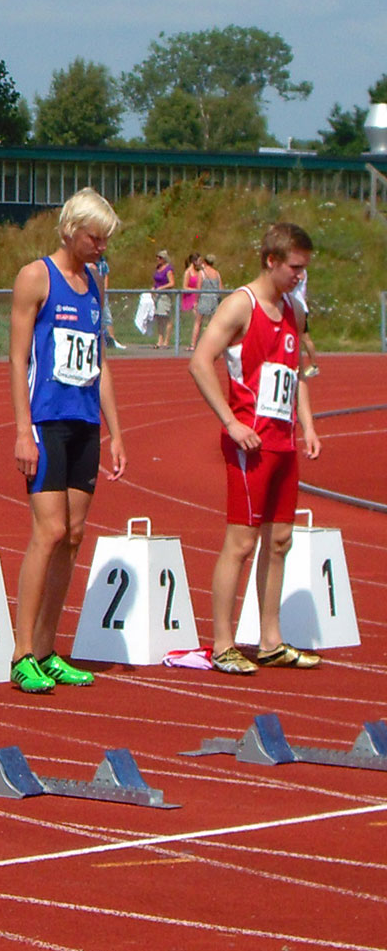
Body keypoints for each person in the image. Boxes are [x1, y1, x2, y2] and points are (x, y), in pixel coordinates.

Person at [187, 222, 322, 675]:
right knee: (241, 542)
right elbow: (199, 362)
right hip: (250, 443)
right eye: (294, 268)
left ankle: (270, 640)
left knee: (280, 541)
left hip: (283, 443)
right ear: (271, 260)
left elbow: (295, 372)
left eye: (304, 269)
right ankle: (223, 643)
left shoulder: (294, 309)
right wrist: (231, 422)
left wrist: (308, 425)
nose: (299, 276)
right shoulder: (240, 305)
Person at [7, 188, 127, 694]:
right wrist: (22, 430)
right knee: (50, 531)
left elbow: (100, 362)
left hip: (84, 423)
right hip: (46, 420)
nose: (101, 247)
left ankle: (47, 648)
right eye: (95, 238)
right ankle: (21, 653)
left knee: (75, 535)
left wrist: (115, 431)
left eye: (105, 239)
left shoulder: (94, 282)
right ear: (71, 231)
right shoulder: (37, 277)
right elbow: (17, 359)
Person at [289, 266, 321, 378]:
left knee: (304, 338)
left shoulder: (300, 271)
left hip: (299, 309)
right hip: (293, 308)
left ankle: (313, 365)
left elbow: (300, 277)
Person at [190, 253, 223, 351]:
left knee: (198, 322)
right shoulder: (217, 273)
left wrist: (196, 301)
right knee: (212, 324)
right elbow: (221, 288)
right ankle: (212, 344)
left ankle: (193, 344)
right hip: (214, 299)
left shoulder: (202, 273)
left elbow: (198, 288)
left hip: (204, 298)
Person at [96, 251, 125, 351]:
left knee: (106, 316)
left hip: (102, 293)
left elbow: (105, 276)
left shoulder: (103, 263)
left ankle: (112, 340)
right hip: (91, 293)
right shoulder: (88, 263)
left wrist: (104, 290)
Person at [151, 249, 175, 349]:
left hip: (165, 296)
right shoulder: (158, 268)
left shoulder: (168, 269)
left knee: (166, 318)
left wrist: (161, 288)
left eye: (160, 257)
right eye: (157, 257)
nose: (158, 259)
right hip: (157, 296)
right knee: (159, 318)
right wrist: (154, 288)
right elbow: (156, 281)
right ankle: (160, 340)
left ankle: (166, 341)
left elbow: (172, 283)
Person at [181, 252, 202, 347]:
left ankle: (197, 341)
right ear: (194, 261)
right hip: (190, 297)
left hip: (197, 297)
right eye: (199, 260)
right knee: (196, 320)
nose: (201, 262)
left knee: (199, 320)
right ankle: (192, 343)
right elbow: (184, 287)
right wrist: (196, 289)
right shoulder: (188, 272)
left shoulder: (199, 271)